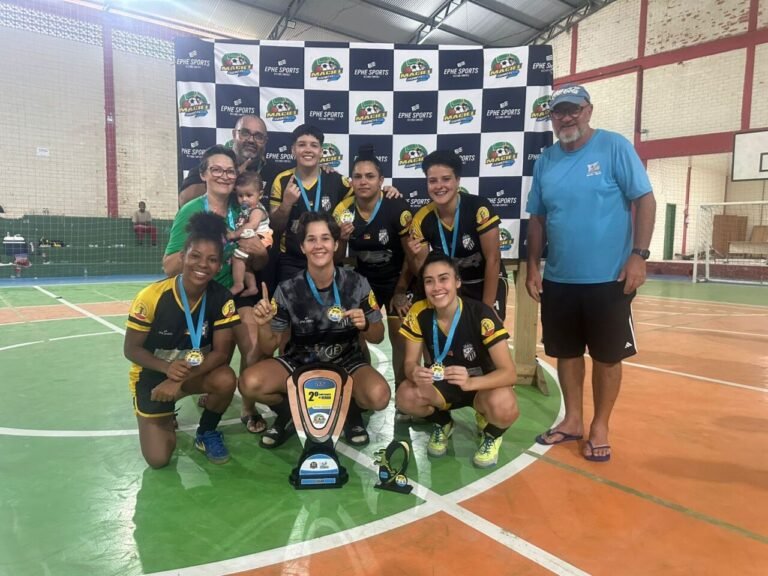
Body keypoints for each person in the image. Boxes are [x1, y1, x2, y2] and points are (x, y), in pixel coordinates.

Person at [526, 84, 656, 463]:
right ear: (551, 118)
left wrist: (639, 255)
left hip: (610, 279)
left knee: (606, 357)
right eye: (559, 112)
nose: (566, 118)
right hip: (559, 279)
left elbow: (644, 199)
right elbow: (538, 217)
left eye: (573, 110)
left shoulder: (614, 147)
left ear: (588, 111)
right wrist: (533, 264)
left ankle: (600, 425)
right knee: (566, 354)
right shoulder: (546, 160)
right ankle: (574, 420)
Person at [239, 212, 391, 449]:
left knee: (379, 395)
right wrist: (263, 324)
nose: (318, 245)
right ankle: (290, 415)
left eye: (325, 238)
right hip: (299, 362)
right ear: (302, 246)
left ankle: (351, 415)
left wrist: (366, 324)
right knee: (250, 383)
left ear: (336, 244)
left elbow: (379, 336)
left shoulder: (357, 283)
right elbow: (268, 348)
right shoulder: (287, 289)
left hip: (346, 362)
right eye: (311, 239)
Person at [164, 145, 270, 433]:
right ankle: (168, 401)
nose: (224, 176)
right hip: (198, 296)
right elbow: (168, 266)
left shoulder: (244, 208)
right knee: (186, 352)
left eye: (230, 171)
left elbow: (261, 261)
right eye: (217, 170)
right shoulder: (191, 211)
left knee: (252, 343)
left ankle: (248, 408)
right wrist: (201, 249)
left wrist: (258, 250)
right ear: (204, 174)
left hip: (233, 294)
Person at [124, 212, 239, 467]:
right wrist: (167, 370)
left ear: (219, 266)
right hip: (153, 375)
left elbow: (220, 353)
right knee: (158, 459)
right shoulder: (151, 296)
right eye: (195, 256)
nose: (202, 265)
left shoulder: (222, 298)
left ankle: (206, 432)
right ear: (182, 257)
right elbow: (131, 349)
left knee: (226, 378)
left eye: (212, 260)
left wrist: (179, 380)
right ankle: (165, 413)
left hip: (191, 373)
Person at [397, 253, 519, 468]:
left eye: (444, 279)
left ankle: (491, 435)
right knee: (405, 396)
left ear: (457, 282)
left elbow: (509, 373)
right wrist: (414, 371)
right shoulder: (418, 312)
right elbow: (409, 364)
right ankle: (443, 423)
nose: (437, 287)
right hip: (443, 384)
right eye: (429, 281)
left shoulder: (480, 313)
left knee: (505, 405)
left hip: (480, 386)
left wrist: (471, 383)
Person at [332, 145, 413, 387]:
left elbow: (412, 256)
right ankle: (363, 385)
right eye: (358, 176)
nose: (363, 181)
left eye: (370, 176)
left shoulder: (396, 206)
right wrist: (343, 239)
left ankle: (402, 396)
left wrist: (400, 291)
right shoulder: (342, 211)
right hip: (365, 281)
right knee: (357, 333)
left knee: (402, 338)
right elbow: (334, 259)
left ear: (381, 180)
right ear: (351, 181)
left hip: (399, 279)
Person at [407, 150, 508, 320]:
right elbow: (423, 271)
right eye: (432, 181)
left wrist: (486, 309)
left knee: (486, 332)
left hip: (484, 280)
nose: (439, 186)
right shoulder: (421, 218)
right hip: (450, 285)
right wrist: (414, 256)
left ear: (457, 180)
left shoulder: (479, 207)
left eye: (446, 179)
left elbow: (493, 259)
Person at [269, 124, 355, 283]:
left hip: (327, 258)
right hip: (292, 260)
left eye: (314, 145)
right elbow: (275, 226)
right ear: (293, 150)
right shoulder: (282, 181)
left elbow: (366, 193)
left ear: (321, 152)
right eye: (302, 145)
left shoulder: (337, 181)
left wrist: (389, 190)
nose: (308, 150)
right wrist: (286, 204)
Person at [178, 115, 280, 208]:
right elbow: (185, 200)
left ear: (265, 141)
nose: (251, 140)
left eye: (258, 136)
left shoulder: (275, 173)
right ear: (234, 134)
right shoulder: (214, 163)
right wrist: (232, 176)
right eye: (245, 133)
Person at [228, 171, 273, 297]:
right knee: (245, 264)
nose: (244, 199)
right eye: (240, 195)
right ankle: (252, 287)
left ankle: (238, 285)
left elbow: (252, 225)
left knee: (237, 257)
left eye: (249, 195)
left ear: (260, 195)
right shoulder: (248, 209)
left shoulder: (257, 210)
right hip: (256, 237)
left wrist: (233, 235)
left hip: (261, 239)